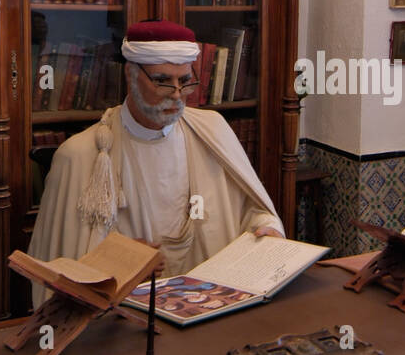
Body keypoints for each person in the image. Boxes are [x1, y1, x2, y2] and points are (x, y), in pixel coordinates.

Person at [28, 20, 283, 305]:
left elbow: (253, 211)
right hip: (126, 321)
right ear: (130, 73)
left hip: (210, 305)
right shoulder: (79, 155)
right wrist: (117, 260)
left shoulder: (214, 131)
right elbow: (59, 270)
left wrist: (266, 228)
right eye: (163, 80)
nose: (176, 94)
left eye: (184, 81)